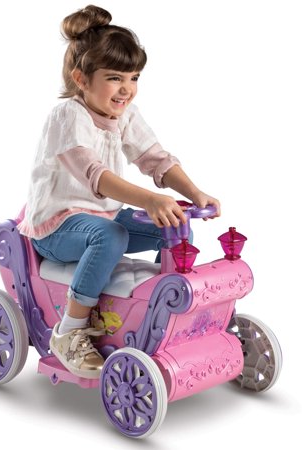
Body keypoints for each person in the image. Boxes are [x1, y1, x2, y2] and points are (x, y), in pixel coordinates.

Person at [18, 5, 221, 379]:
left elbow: (155, 158)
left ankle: (164, 313)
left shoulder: (125, 113)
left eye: (134, 77)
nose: (126, 88)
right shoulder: (68, 116)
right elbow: (96, 175)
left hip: (104, 216)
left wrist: (194, 193)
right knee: (111, 236)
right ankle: (69, 331)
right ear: (81, 78)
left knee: (174, 225)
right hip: (56, 226)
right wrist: (149, 199)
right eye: (114, 78)